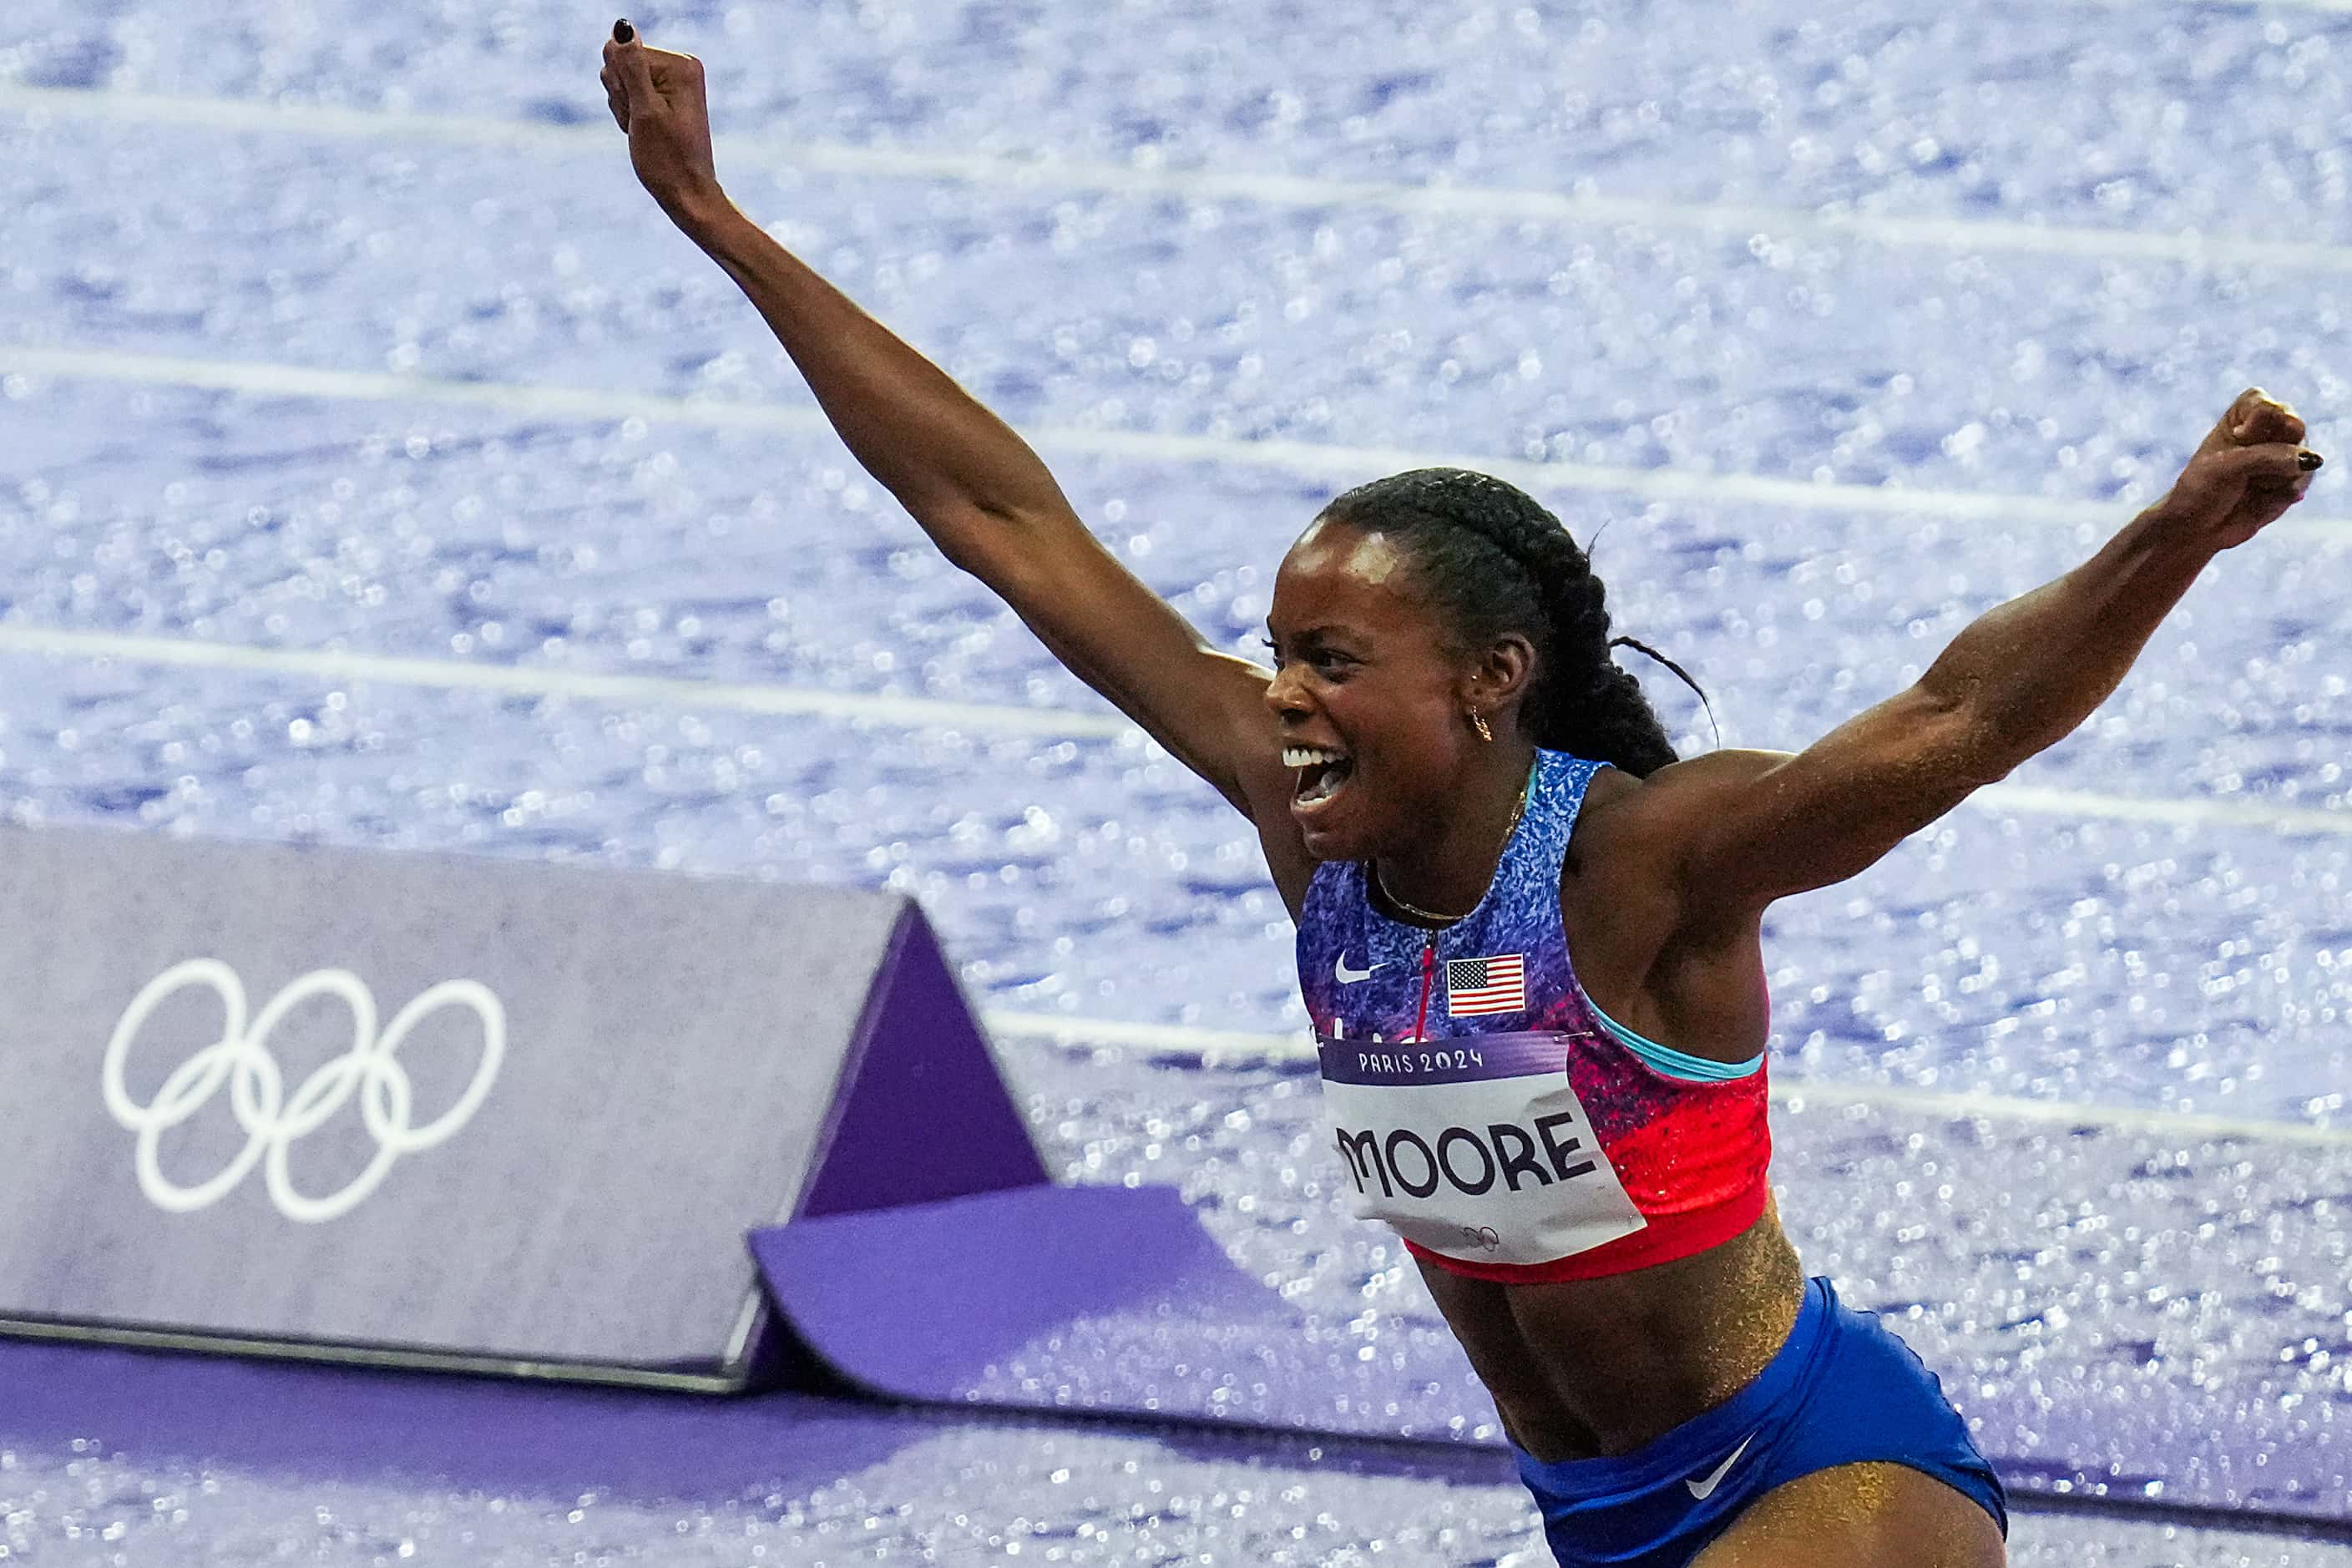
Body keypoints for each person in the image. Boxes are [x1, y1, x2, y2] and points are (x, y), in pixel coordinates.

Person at [597, 21, 2321, 1565]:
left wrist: (2164, 541)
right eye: (1276, 654)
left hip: (1820, 1482)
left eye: (1334, 661)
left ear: (1489, 685)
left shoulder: (1641, 868)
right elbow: (1008, 526)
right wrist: (720, 226)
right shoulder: (1298, 821)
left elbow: (1960, 713)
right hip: (1592, 1518)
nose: (1283, 694)